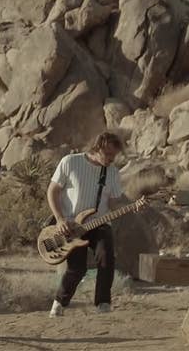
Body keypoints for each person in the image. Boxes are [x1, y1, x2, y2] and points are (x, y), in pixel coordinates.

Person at [46, 132, 128, 318]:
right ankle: (59, 301)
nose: (110, 159)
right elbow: (52, 191)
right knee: (77, 269)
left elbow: (114, 204)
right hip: (72, 227)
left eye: (114, 156)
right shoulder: (70, 162)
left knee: (106, 258)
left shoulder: (112, 172)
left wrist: (130, 208)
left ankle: (103, 304)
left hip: (99, 224)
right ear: (97, 147)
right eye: (107, 154)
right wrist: (59, 219)